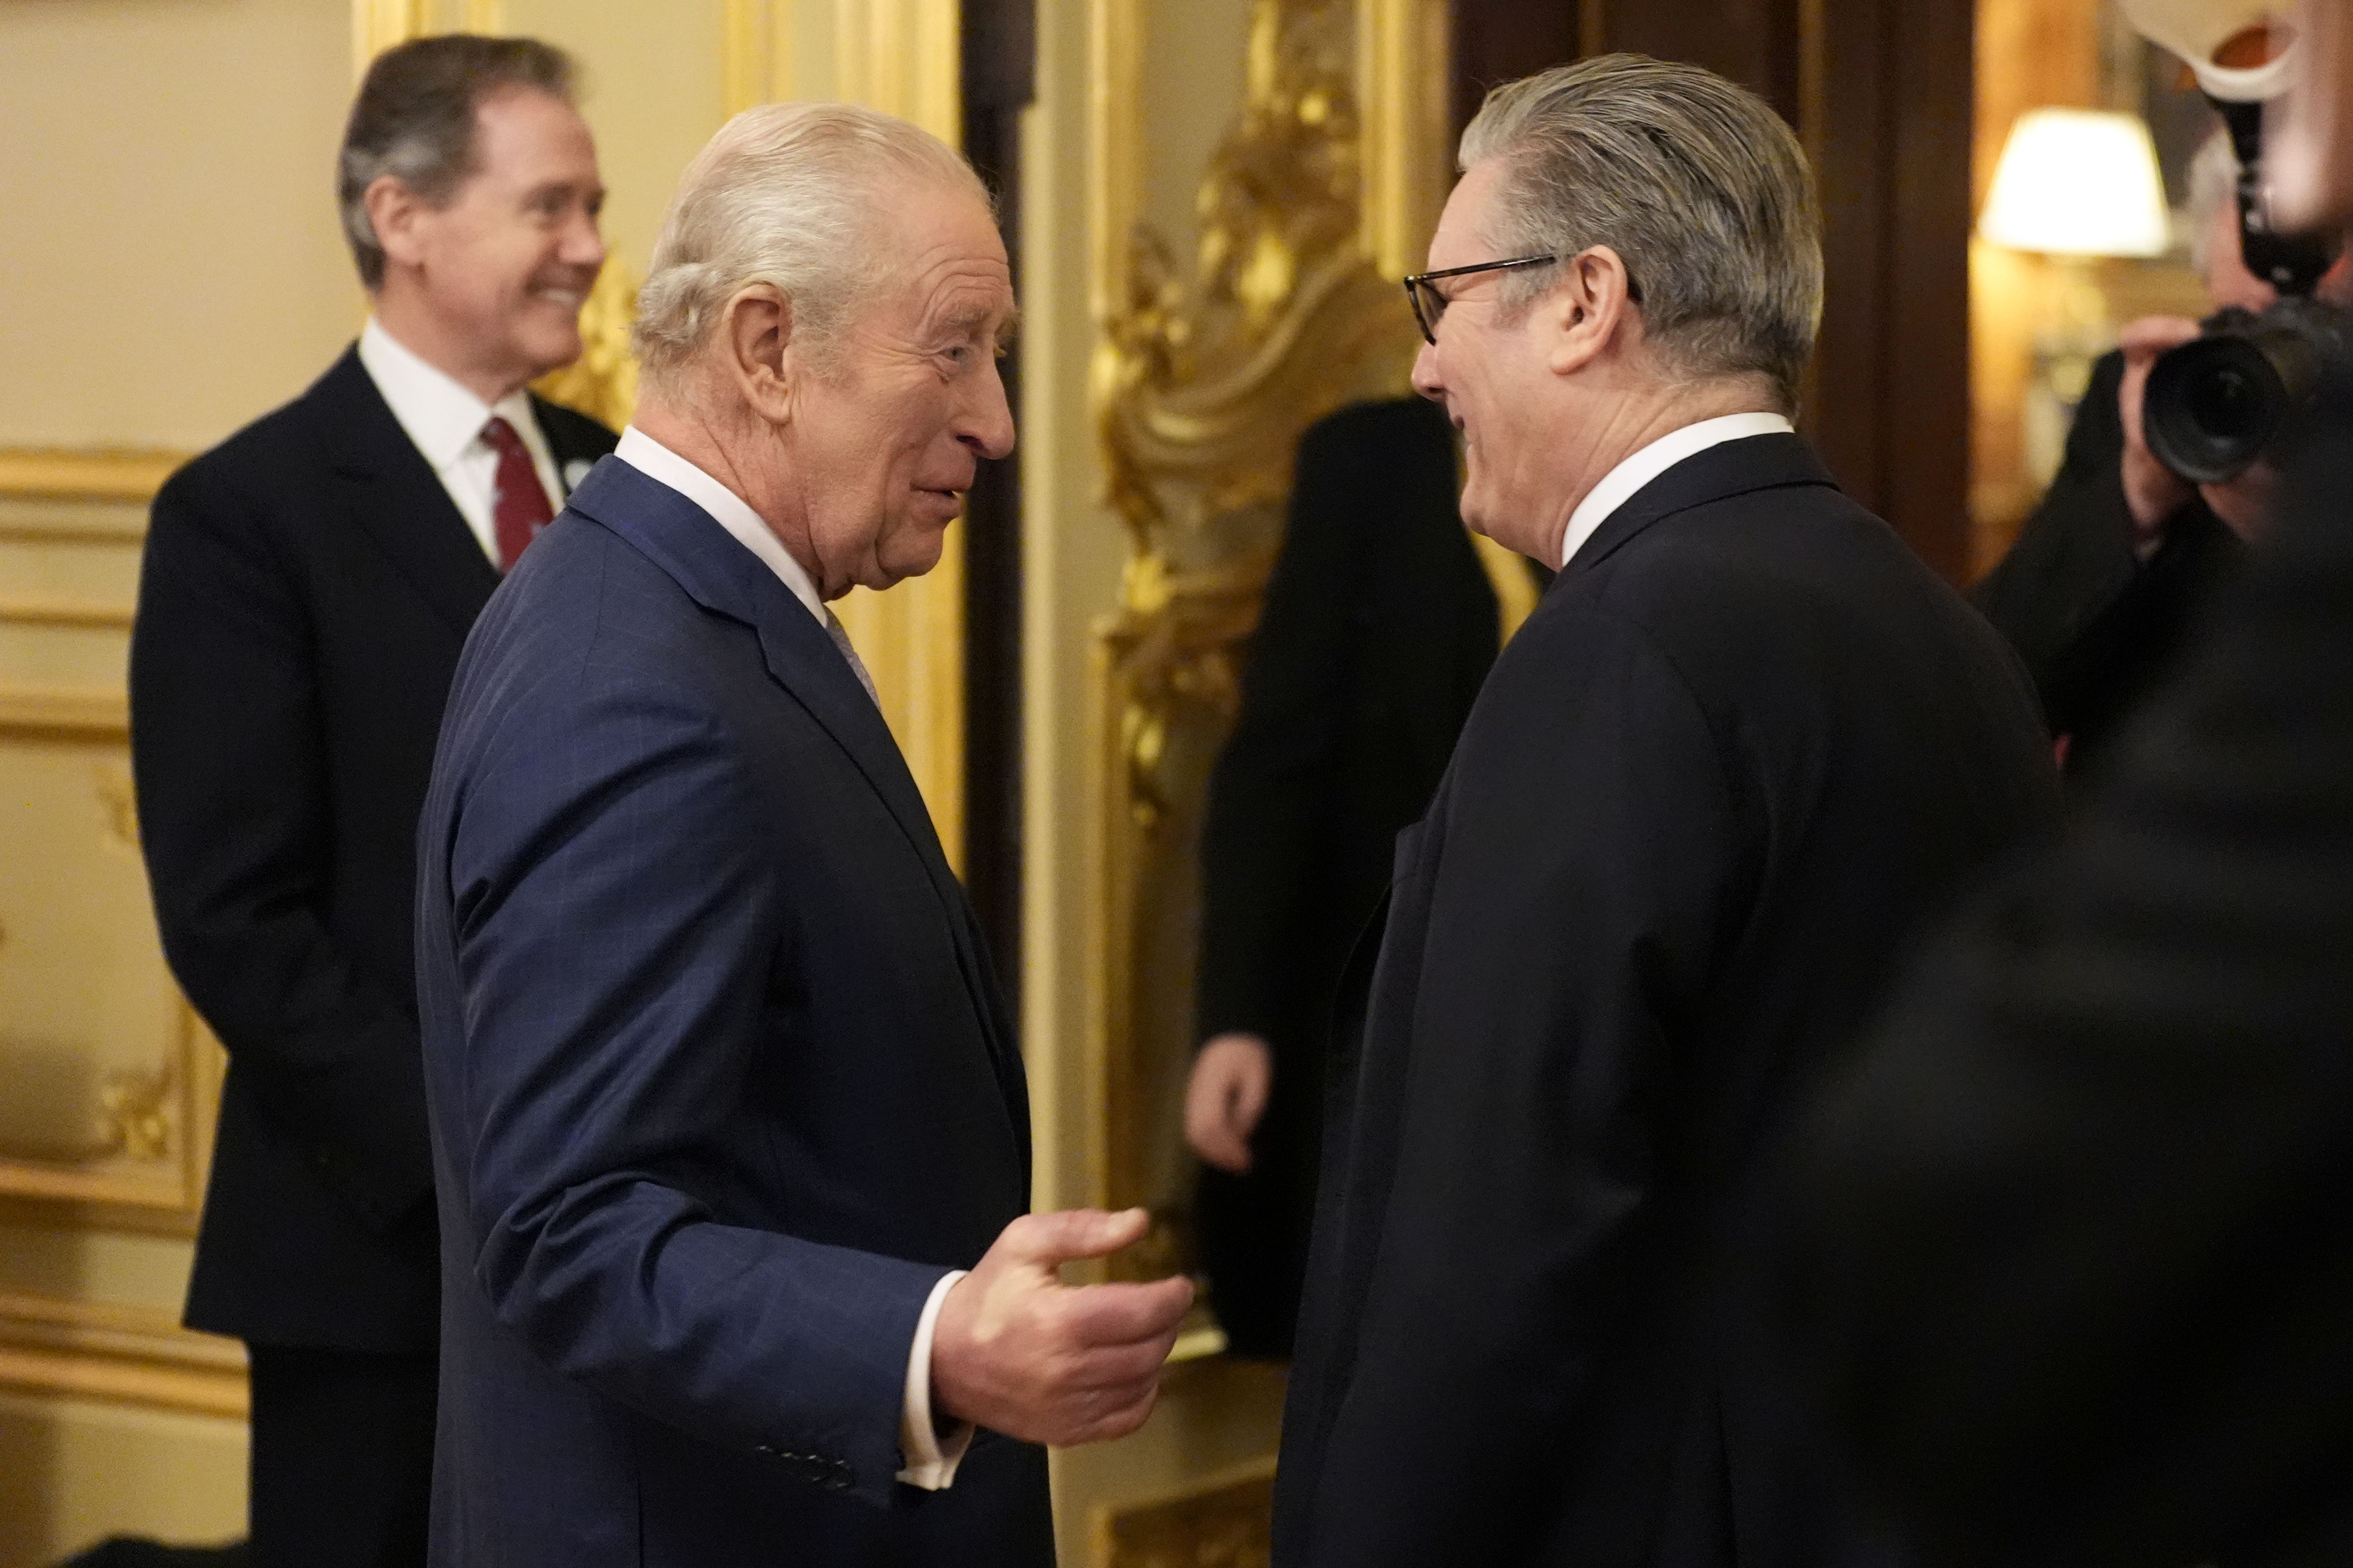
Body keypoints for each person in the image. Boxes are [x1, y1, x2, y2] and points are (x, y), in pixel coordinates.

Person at [1271, 56, 2059, 1568]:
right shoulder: (1932, 623)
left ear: (1586, 299)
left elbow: (1494, 1241)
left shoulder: (1624, 647)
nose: (1426, 369)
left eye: (1444, 305)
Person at [413, 103, 1194, 1566]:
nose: (999, 421)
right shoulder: (627, 682)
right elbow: (573, 1230)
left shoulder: (686, 613)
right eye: (954, 347)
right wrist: (939, 1339)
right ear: (766, 348)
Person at [1790, 1, 2353, 1560]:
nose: (2282, 331)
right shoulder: (2157, 392)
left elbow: (1940, 1235)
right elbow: (2003, 666)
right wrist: (2137, 493)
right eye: (2260, 290)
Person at [129, 36, 616, 1567]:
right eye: (551, 205)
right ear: (401, 217)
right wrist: (472, 1170)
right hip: (378, 1251)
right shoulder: (246, 515)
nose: (593, 247)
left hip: (646, 1239)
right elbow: (237, 918)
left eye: (595, 205)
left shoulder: (626, 486)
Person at [1182, 393, 1546, 1358]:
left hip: (1541, 1005)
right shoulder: (1371, 459)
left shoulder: (1598, 468)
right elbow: (1279, 751)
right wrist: (1237, 1015)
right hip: (1382, 980)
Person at [1975, 126, 2353, 777]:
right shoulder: (2166, 395)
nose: (2273, 362)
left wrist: (2277, 532)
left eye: (2311, 323)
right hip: (2138, 831)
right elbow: (1992, 689)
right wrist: (2139, 497)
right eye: (2250, 324)